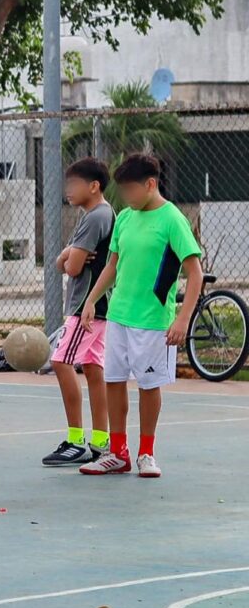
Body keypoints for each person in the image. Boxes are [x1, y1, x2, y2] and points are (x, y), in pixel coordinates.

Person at [79, 153, 203, 478]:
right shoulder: (125, 218)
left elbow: (195, 272)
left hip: (153, 322)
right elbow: (112, 265)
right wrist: (92, 300)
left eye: (132, 190)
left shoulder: (172, 219)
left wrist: (182, 319)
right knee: (114, 380)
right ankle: (118, 453)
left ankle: (146, 452)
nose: (128, 197)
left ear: (150, 184)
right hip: (119, 316)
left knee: (149, 386)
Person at [43, 158, 114, 467]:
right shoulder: (101, 214)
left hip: (85, 307)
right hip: (98, 307)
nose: (68, 190)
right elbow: (62, 262)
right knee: (94, 370)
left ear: (94, 186)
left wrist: (69, 257)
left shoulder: (95, 217)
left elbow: (69, 266)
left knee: (60, 362)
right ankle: (100, 441)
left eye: (73, 185)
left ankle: (76, 441)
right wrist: (67, 257)